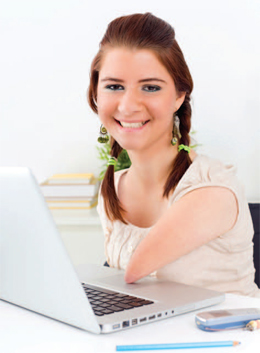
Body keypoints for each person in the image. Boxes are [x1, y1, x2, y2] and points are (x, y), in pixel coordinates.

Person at [88, 13, 260, 297]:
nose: (128, 106)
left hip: (229, 337)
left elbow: (132, 272)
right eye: (114, 86)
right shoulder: (113, 189)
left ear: (179, 96)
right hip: (151, 336)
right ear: (96, 93)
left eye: (151, 87)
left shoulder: (211, 188)